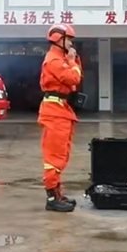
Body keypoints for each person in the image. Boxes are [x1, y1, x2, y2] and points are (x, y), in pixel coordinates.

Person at [38, 24, 82, 213]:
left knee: (61, 154)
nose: (71, 42)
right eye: (69, 39)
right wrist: (72, 62)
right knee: (54, 156)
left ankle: (57, 193)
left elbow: (75, 77)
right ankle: (52, 197)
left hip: (61, 109)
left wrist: (73, 60)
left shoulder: (60, 58)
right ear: (58, 39)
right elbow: (73, 79)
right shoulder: (54, 60)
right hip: (55, 111)